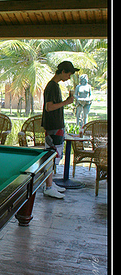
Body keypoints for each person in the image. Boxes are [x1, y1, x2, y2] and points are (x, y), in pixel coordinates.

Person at [41, 61, 79, 199]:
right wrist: (67, 102)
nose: (69, 77)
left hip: (55, 126)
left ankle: (50, 184)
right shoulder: (52, 86)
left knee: (53, 155)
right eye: (68, 74)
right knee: (51, 156)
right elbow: (49, 107)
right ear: (62, 71)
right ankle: (49, 187)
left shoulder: (54, 86)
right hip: (53, 127)